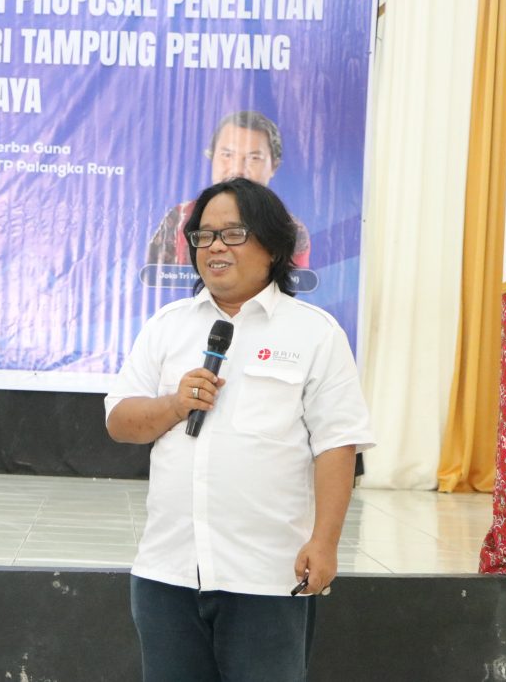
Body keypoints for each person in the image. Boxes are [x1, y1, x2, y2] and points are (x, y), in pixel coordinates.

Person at [107, 178, 373, 681]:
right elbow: (120, 422)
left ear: (272, 246)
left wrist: (325, 543)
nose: (215, 247)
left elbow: (337, 445)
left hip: (268, 576)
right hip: (168, 572)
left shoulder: (315, 333)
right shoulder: (167, 325)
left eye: (233, 233)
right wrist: (174, 404)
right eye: (204, 236)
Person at [146, 110, 311, 268]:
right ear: (212, 157)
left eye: (254, 158)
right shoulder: (180, 219)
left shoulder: (290, 230)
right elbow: (155, 281)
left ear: (274, 166)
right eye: (227, 155)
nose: (237, 170)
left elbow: (294, 285)